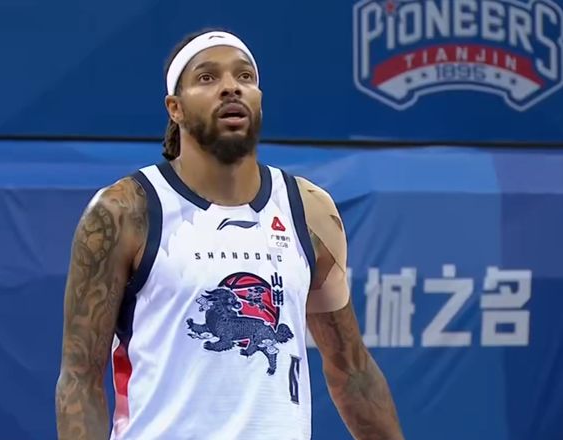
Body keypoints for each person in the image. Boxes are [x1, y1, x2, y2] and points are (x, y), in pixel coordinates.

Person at [55, 29, 404, 440]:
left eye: (244, 77)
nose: (230, 88)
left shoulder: (310, 209)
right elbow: (80, 378)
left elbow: (352, 371)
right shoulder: (124, 211)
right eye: (207, 78)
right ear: (175, 108)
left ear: (259, 99)